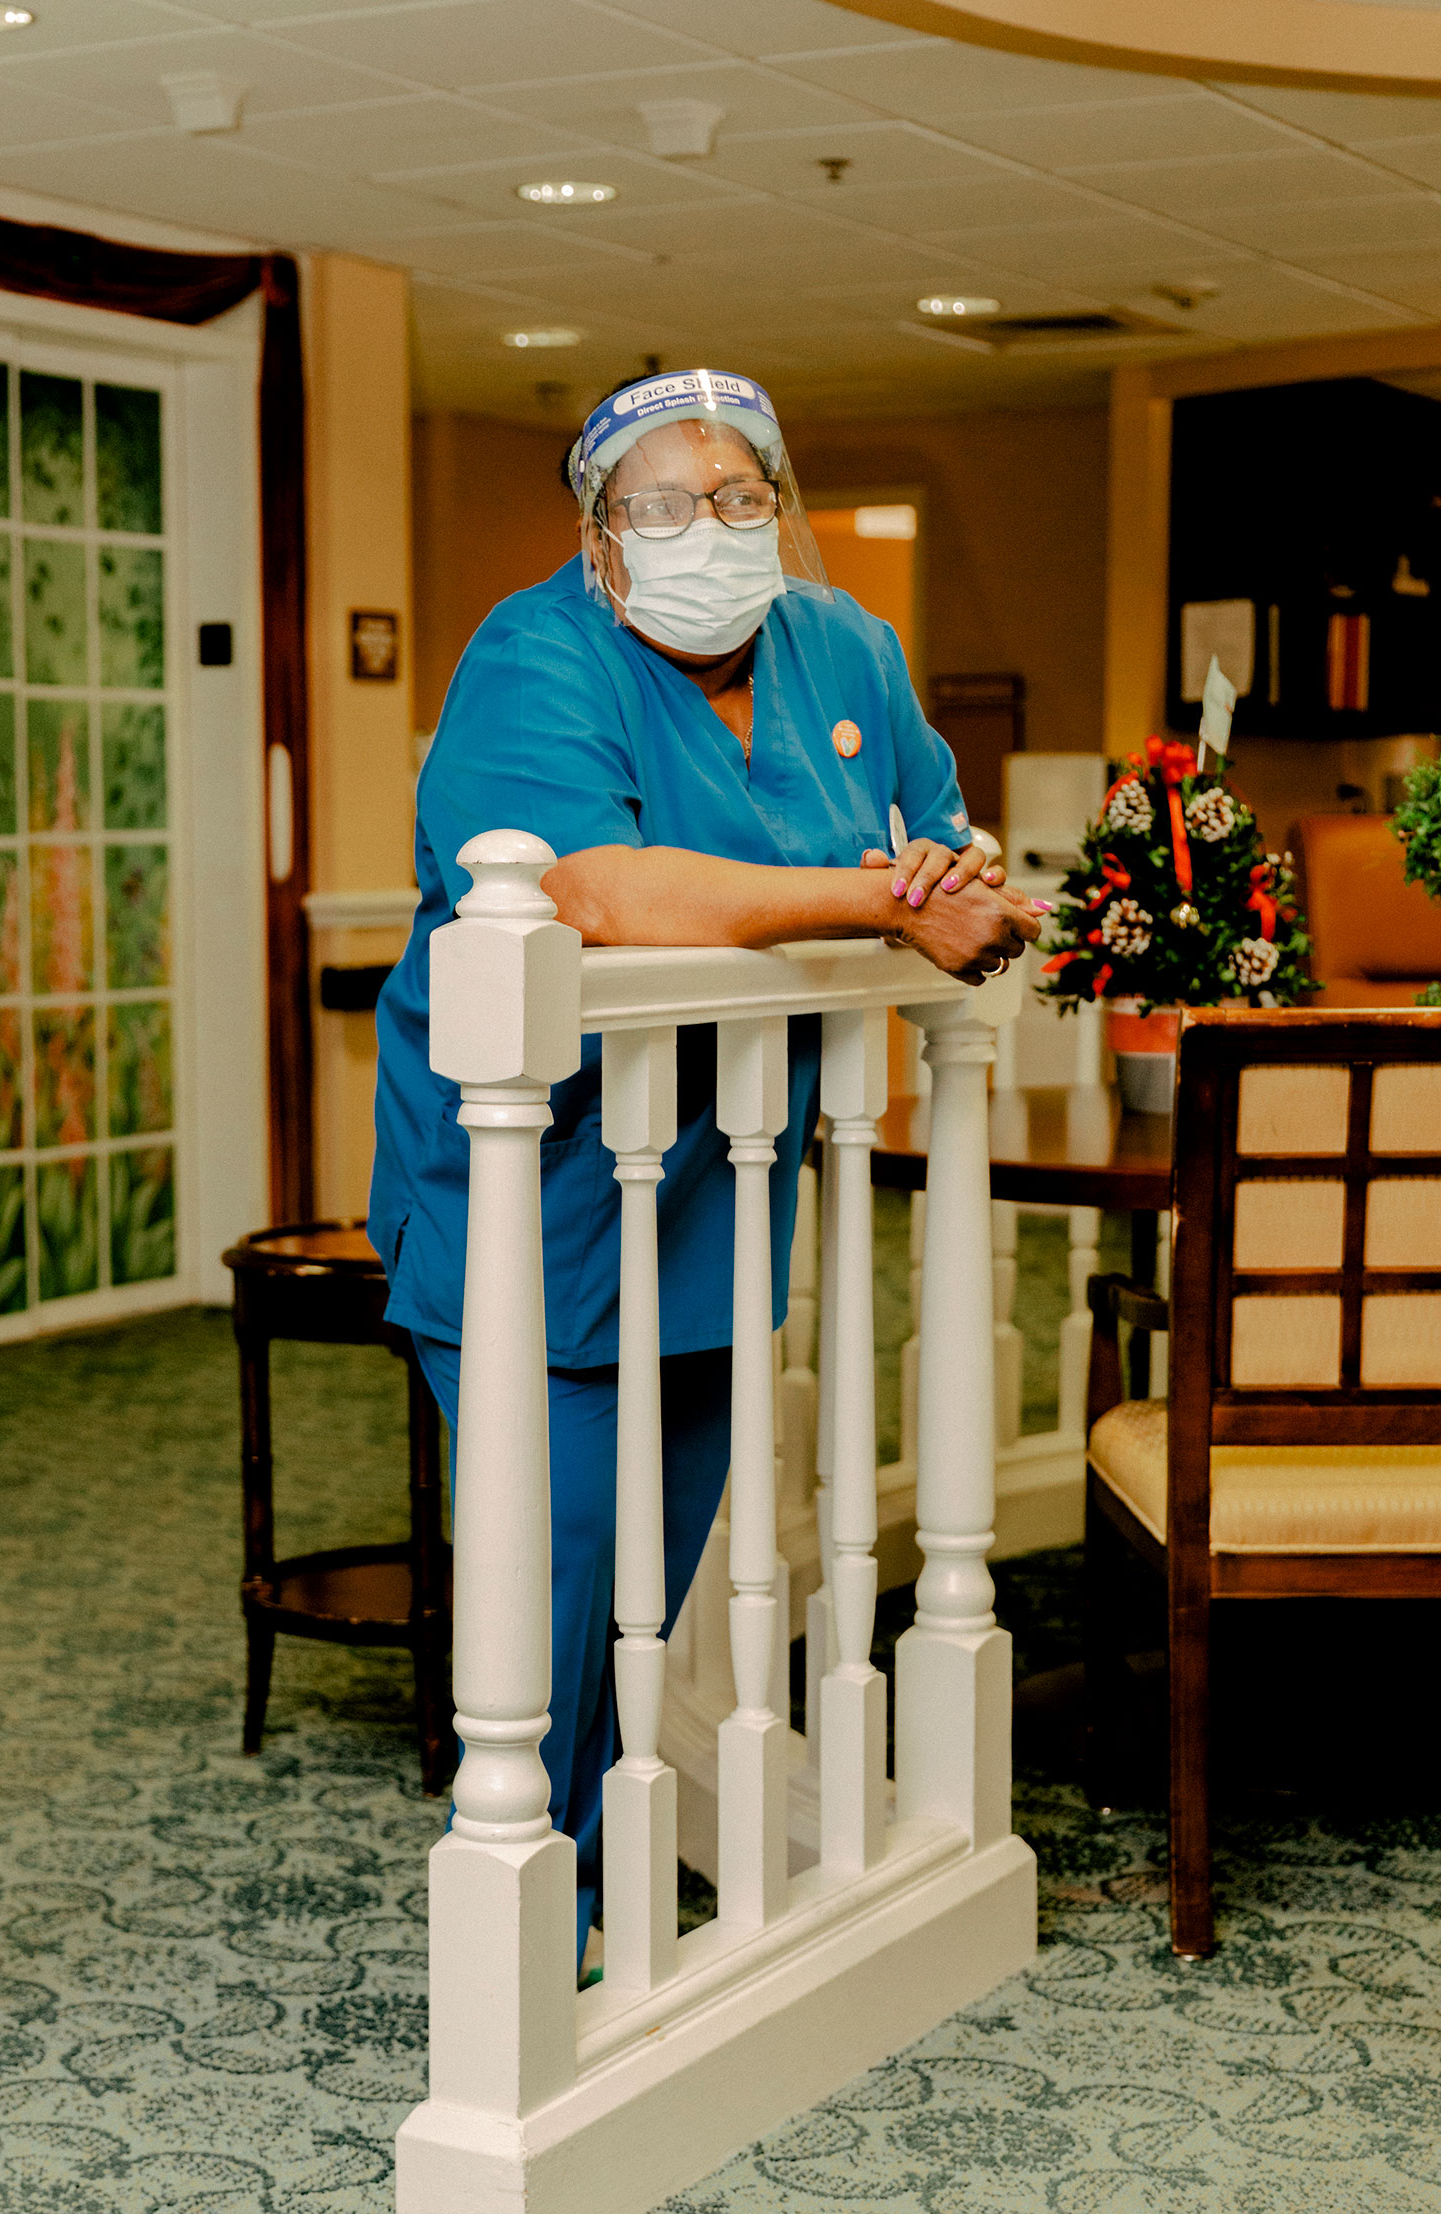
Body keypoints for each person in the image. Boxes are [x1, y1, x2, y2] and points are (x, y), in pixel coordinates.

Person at [370, 367, 1043, 1962]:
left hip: (719, 1193)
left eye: (740, 495)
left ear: (779, 501)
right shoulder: (534, 654)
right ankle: (528, 1898)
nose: (707, 529)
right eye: (658, 505)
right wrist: (881, 903)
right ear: (601, 537)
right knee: (560, 1557)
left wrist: (955, 880)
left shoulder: (847, 648)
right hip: (530, 1187)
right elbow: (604, 894)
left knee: (656, 1567)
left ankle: (601, 1872)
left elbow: (938, 833)